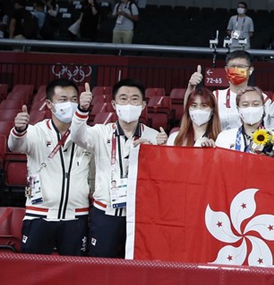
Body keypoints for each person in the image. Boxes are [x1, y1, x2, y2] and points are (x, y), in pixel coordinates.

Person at [72, 79, 166, 258]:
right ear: (114, 104)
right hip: (105, 212)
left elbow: (162, 177)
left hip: (140, 215)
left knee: (135, 266)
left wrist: (159, 150)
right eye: (123, 99)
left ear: (143, 105)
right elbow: (78, 136)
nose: (129, 104)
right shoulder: (100, 132)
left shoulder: (155, 137)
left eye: (134, 99)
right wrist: (82, 110)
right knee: (101, 265)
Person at [8, 79, 92, 255]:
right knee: (32, 272)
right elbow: (15, 146)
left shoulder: (87, 135)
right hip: (39, 215)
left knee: (74, 273)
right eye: (63, 99)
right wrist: (18, 130)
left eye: (74, 99)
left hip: (76, 216)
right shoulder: (36, 132)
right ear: (49, 104)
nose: (69, 104)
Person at [188, 50, 274, 131]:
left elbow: (271, 130)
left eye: (241, 67)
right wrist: (191, 87)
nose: (236, 70)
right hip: (219, 144)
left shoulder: (263, 99)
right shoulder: (216, 96)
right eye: (232, 66)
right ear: (226, 70)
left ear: (250, 70)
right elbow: (191, 114)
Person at [216, 86, 270, 153]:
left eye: (256, 104)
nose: (251, 108)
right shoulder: (224, 137)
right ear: (238, 109)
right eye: (245, 105)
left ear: (263, 107)